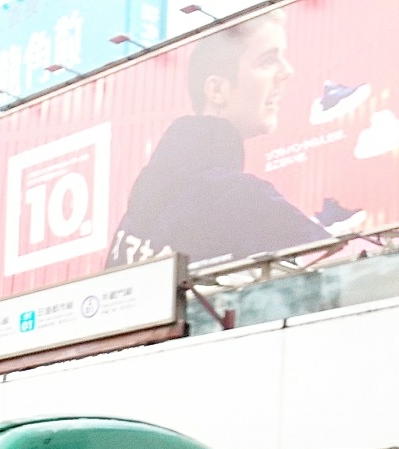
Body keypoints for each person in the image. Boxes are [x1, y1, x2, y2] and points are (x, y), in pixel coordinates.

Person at [107, 13, 330, 271]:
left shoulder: (132, 219)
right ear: (216, 91)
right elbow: (333, 265)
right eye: (268, 61)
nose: (287, 72)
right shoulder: (241, 198)